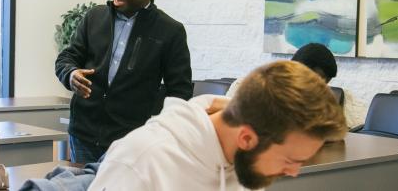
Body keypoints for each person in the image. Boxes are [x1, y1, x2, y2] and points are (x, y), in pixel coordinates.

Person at [88, 60, 347, 191]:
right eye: (291, 160)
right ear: (246, 138)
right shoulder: (141, 162)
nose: (294, 172)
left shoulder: (246, 162)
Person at [55, 0, 193, 163]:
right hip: (84, 133)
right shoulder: (94, 17)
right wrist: (71, 73)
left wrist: (162, 134)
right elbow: (67, 57)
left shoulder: (170, 31)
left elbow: (180, 92)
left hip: (131, 140)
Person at [226, 43, 337, 97]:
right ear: (299, 69)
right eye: (316, 82)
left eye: (325, 83)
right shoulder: (247, 88)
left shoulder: (319, 101)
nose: (320, 89)